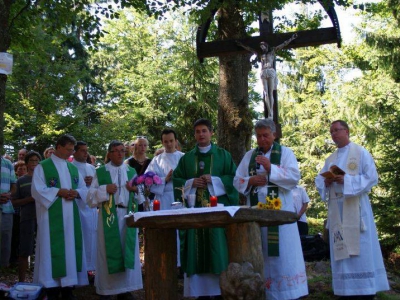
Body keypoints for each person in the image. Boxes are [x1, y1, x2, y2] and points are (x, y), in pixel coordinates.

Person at [233, 119, 308, 300]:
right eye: (258, 136)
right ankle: (262, 291)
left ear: (274, 135)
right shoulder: (250, 155)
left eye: (266, 135)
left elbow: (293, 178)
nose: (262, 139)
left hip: (280, 213)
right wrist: (250, 181)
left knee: (283, 253)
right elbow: (237, 180)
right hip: (256, 213)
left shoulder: (286, 153)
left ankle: (287, 293)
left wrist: (270, 168)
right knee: (260, 252)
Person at [315, 120, 389, 299]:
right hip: (337, 210)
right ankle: (345, 290)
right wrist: (326, 181)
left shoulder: (360, 152)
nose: (333, 134)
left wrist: (346, 181)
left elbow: (371, 178)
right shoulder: (330, 159)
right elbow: (319, 181)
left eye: (337, 130)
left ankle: (364, 291)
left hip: (356, 209)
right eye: (331, 131)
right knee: (341, 250)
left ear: (346, 131)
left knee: (360, 250)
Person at [173, 118, 239, 299]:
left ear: (211, 133)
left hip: (215, 213)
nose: (201, 134)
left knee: (216, 248)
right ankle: (198, 293)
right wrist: (190, 183)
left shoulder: (223, 155)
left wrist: (215, 180)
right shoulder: (186, 158)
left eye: (204, 131)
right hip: (194, 214)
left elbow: (234, 179)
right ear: (194, 134)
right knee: (195, 250)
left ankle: (218, 291)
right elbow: (177, 182)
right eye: (197, 131)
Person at [31, 134, 89, 299]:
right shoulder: (43, 167)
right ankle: (52, 288)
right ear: (58, 146)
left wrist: (76, 193)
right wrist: (58, 191)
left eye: (72, 150)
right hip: (51, 219)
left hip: (71, 218)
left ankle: (68, 287)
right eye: (68, 150)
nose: (70, 153)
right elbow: (37, 190)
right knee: (52, 249)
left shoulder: (72, 168)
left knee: (70, 249)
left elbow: (84, 189)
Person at [87, 141, 142, 300]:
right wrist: (105, 189)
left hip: (128, 216)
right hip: (108, 216)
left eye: (122, 151)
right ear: (109, 153)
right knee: (107, 252)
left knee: (127, 251)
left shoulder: (132, 171)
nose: (119, 153)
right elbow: (90, 199)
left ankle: (125, 289)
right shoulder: (101, 172)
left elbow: (141, 199)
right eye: (116, 151)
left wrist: (135, 189)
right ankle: (107, 289)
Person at [237, 34, 297, 119]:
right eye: (261, 47)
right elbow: (250, 49)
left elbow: (283, 44)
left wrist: (291, 38)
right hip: (263, 72)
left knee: (270, 92)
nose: (262, 48)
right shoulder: (260, 54)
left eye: (263, 46)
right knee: (265, 93)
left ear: (266, 46)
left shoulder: (272, 52)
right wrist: (241, 45)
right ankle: (269, 111)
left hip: (270, 71)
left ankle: (271, 113)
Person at [11, 151, 41, 282]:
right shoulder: (21, 180)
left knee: (43, 249)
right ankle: (21, 281)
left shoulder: (44, 179)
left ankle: (42, 280)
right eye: (32, 160)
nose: (34, 163)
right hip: (27, 218)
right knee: (25, 250)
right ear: (27, 163)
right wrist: (29, 199)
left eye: (36, 160)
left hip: (43, 219)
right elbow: (14, 201)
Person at [72, 141, 97, 276]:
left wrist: (92, 182)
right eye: (82, 150)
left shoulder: (92, 168)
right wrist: (82, 182)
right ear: (74, 152)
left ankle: (91, 268)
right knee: (80, 237)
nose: (85, 153)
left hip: (91, 208)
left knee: (92, 238)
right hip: (77, 207)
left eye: (86, 150)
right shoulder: (70, 167)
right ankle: (79, 270)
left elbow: (98, 187)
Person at [147, 129, 184, 210]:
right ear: (162, 142)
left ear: (176, 141)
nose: (169, 144)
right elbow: (148, 181)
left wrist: (177, 178)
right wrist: (165, 180)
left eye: (171, 141)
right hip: (163, 199)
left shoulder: (183, 158)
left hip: (181, 196)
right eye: (166, 141)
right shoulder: (156, 160)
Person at [126, 136, 152, 211]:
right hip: (134, 194)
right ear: (136, 146)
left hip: (148, 193)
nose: (143, 147)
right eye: (140, 145)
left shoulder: (150, 162)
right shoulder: (129, 162)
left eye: (145, 145)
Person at [0, 156, 17, 268]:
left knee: (5, 244)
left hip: (6, 208)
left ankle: (2, 275)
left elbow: (13, 186)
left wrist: (9, 194)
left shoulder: (7, 163)